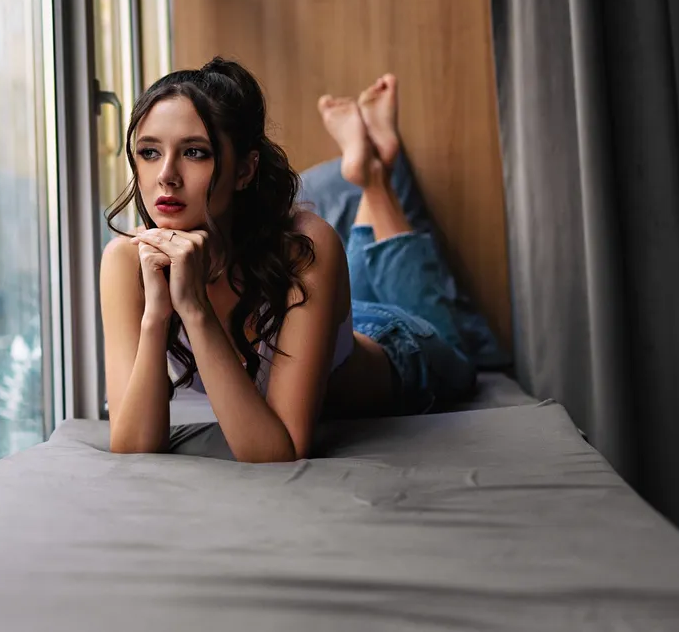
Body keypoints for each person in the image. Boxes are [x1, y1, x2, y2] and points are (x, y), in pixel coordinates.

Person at [99, 57, 478, 463]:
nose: (166, 175)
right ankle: (369, 169)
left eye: (195, 152)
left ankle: (375, 179)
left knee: (458, 349)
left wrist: (193, 307)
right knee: (351, 288)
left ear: (245, 169)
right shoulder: (126, 260)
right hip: (322, 320)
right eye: (149, 152)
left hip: (398, 349)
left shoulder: (304, 246)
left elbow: (279, 450)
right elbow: (133, 445)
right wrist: (157, 314)